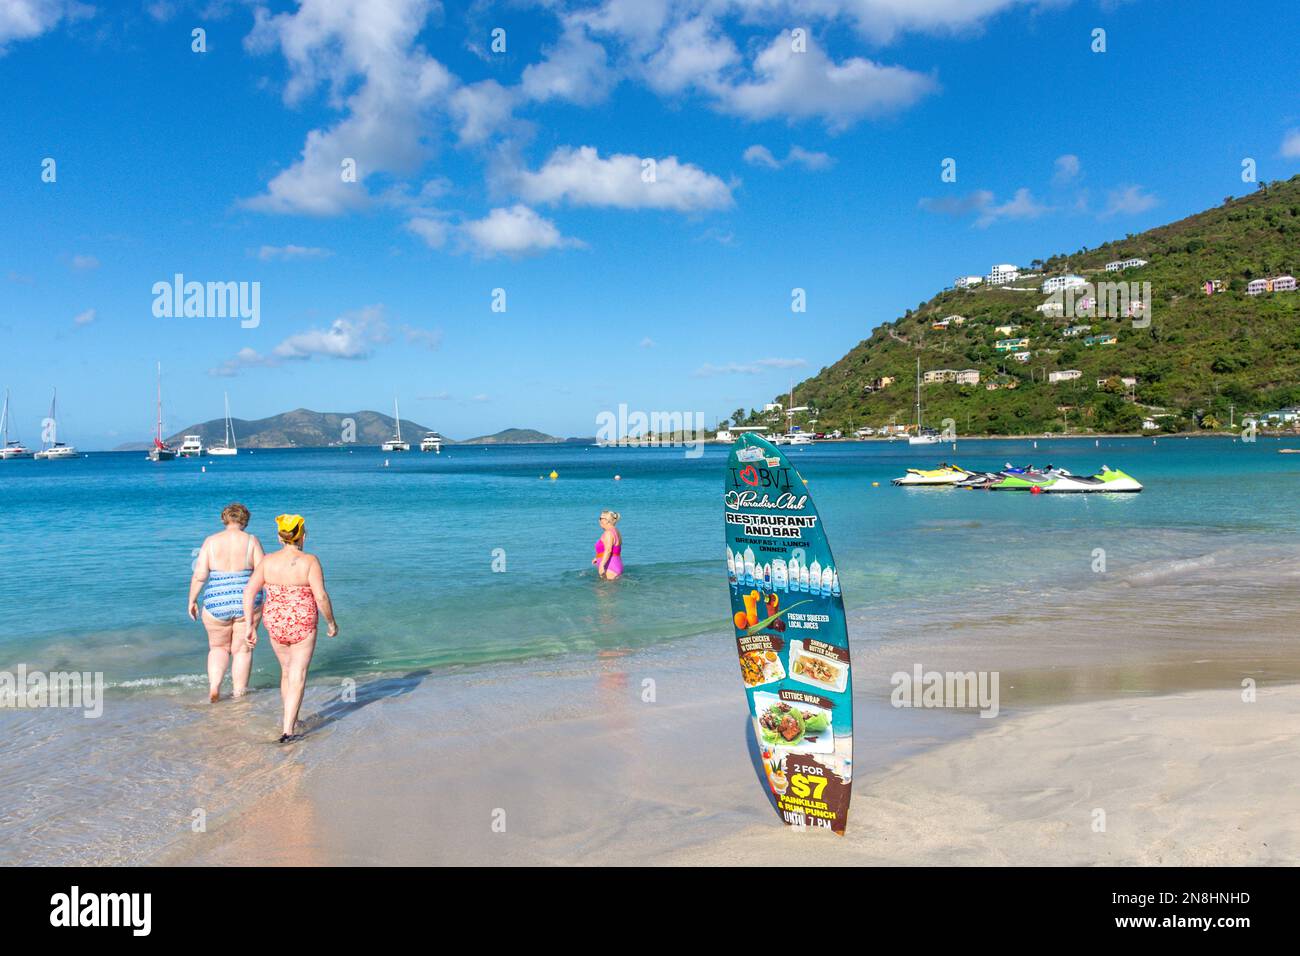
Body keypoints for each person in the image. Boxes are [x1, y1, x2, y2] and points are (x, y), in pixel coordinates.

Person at [244, 514, 338, 742]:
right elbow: (321, 596)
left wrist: (249, 625)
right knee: (298, 673)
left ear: (279, 537)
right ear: (303, 536)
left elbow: (249, 592)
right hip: (302, 621)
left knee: (286, 671)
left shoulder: (267, 561)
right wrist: (331, 622)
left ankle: (291, 719)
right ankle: (288, 730)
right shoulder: (310, 561)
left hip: (274, 621)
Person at [188, 503, 265, 702]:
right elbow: (262, 572)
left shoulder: (211, 541)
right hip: (246, 600)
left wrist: (192, 599)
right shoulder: (251, 541)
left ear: (225, 519)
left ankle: (214, 688)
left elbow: (200, 575)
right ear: (245, 520)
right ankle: (239, 694)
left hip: (216, 600)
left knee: (217, 648)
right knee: (242, 650)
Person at [592, 509, 623, 580]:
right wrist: (598, 557)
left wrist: (601, 565)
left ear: (606, 520)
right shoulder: (616, 531)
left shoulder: (608, 533)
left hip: (610, 567)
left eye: (600, 519)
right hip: (616, 565)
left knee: (603, 590)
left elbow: (608, 550)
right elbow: (615, 550)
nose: (599, 521)